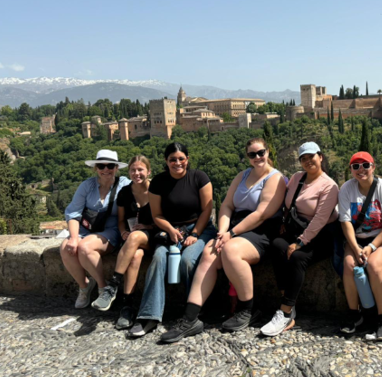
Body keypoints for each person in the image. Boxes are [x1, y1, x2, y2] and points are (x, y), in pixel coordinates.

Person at [159, 138, 286, 342]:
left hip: (262, 231)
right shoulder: (242, 175)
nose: (258, 157)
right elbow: (226, 206)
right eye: (252, 154)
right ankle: (190, 318)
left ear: (268, 152)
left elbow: (262, 213)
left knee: (231, 250)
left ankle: (248, 309)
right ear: (248, 157)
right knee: (210, 252)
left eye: (261, 152)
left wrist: (232, 234)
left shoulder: (275, 178)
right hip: (235, 228)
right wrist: (223, 232)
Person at [133, 142, 218, 338]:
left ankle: (192, 314)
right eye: (173, 159)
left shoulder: (199, 178)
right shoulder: (159, 183)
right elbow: (157, 215)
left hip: (200, 228)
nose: (177, 163)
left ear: (187, 159)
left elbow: (207, 210)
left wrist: (195, 234)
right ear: (166, 161)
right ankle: (149, 316)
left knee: (189, 260)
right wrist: (170, 230)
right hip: (170, 230)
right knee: (158, 259)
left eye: (181, 159)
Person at [261, 141, 341, 337]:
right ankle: (286, 299)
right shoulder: (297, 178)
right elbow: (289, 202)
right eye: (303, 158)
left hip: (321, 235)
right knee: (278, 245)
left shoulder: (329, 186)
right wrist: (284, 221)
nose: (307, 161)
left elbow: (321, 219)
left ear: (320, 157)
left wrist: (300, 242)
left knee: (297, 257)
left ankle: (286, 310)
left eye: (311, 157)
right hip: (297, 229)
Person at [336, 151, 382, 340]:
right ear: (351, 170)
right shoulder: (347, 188)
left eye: (365, 165)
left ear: (373, 167)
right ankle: (354, 314)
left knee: (374, 265)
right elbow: (346, 222)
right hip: (356, 239)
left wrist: (371, 247)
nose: (360, 170)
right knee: (349, 265)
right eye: (355, 166)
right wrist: (356, 247)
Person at [92, 156, 156, 331]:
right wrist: (122, 232)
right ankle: (127, 308)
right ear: (129, 172)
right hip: (133, 240)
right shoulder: (125, 193)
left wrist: (148, 226)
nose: (137, 173)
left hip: (154, 237)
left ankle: (112, 286)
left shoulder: (156, 190)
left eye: (141, 170)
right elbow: (120, 220)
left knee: (135, 237)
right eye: (133, 170)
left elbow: (165, 218)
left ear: (148, 171)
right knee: (135, 256)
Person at [61, 149, 131, 309]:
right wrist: (73, 237)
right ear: (96, 168)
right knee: (66, 247)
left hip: (111, 230)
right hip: (87, 229)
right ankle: (85, 286)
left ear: (116, 168)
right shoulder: (87, 186)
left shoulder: (124, 185)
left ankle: (102, 287)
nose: (106, 169)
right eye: (101, 166)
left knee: (85, 247)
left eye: (110, 165)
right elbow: (73, 213)